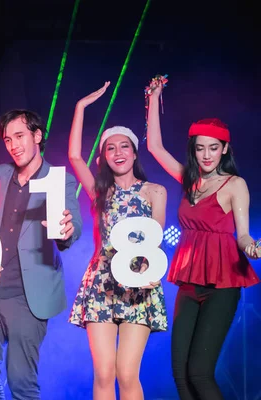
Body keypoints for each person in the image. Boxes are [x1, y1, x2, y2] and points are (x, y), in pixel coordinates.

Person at [146, 82, 260, 399]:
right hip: (189, 281)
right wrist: (153, 99)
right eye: (200, 148)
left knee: (199, 372)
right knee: (180, 374)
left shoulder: (235, 184)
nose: (207, 154)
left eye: (213, 147)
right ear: (193, 149)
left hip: (222, 286)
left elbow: (242, 235)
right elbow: (155, 147)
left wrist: (252, 247)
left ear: (225, 149)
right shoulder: (189, 180)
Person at [0, 108, 82, 400]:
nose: (13, 145)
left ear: (37, 135)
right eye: (7, 140)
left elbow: (73, 224)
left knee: (21, 383)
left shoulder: (59, 180)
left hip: (28, 297)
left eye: (19, 136)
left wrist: (67, 229)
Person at [66, 82, 168, 400]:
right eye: (110, 148)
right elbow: (73, 156)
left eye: (124, 146)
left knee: (126, 372)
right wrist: (80, 107)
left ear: (134, 152)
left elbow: (156, 241)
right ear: (104, 156)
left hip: (139, 283)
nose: (118, 153)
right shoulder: (102, 191)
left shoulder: (155, 191)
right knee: (105, 372)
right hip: (102, 284)